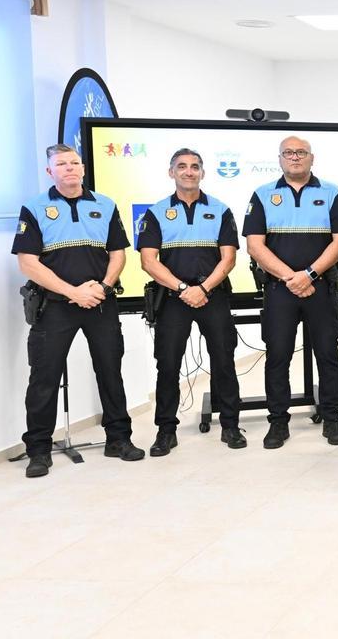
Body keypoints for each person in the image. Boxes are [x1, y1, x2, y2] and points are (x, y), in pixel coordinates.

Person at [13, 144, 143, 478]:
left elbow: (118, 254)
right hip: (54, 306)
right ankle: (39, 450)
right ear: (49, 172)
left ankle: (119, 439)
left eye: (74, 162)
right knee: (43, 379)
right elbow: (28, 263)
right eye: (61, 164)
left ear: (83, 168)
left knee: (110, 372)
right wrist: (73, 292)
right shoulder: (35, 208)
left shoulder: (105, 204)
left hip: (100, 302)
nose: (69, 168)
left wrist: (101, 287)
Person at [243, 136, 338, 449]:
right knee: (277, 357)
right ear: (279, 158)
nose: (295, 157)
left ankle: (332, 418)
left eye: (301, 152)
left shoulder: (333, 193)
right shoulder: (263, 195)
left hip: (321, 288)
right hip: (280, 290)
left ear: (311, 158)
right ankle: (278, 422)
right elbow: (254, 245)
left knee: (328, 355)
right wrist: (291, 277)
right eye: (289, 153)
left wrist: (310, 275)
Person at [137, 148, 244, 454]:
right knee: (167, 365)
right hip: (173, 299)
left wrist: (204, 289)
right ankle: (165, 431)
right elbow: (148, 261)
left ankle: (231, 426)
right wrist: (184, 288)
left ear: (202, 173)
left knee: (224, 362)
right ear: (171, 172)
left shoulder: (221, 210)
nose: (188, 171)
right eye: (182, 167)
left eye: (195, 167)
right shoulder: (156, 212)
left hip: (213, 296)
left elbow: (229, 258)